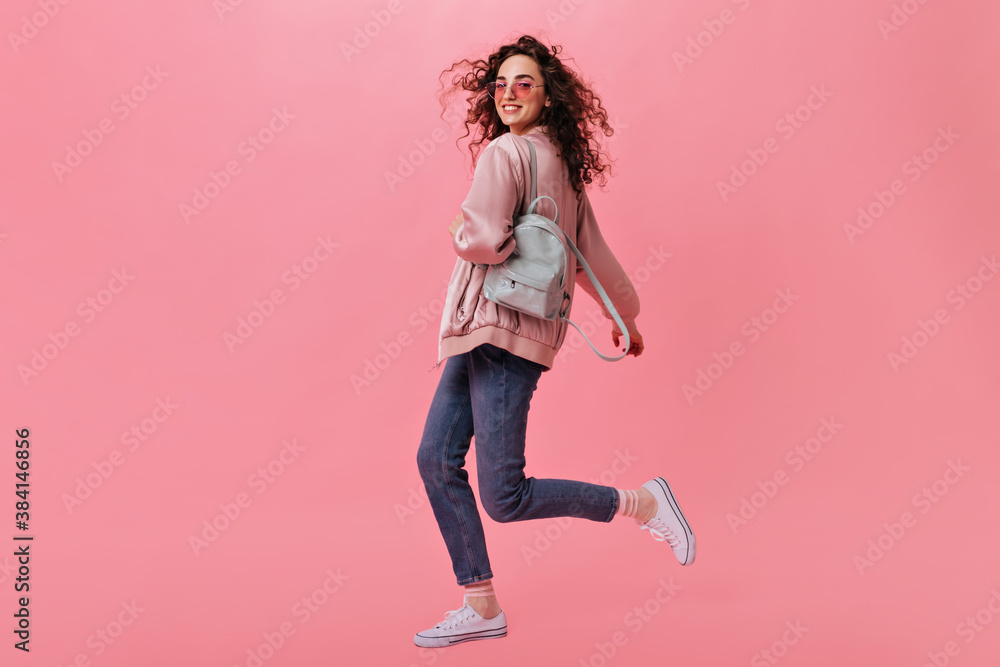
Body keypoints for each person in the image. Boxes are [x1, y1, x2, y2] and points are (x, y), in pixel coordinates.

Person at [414, 35, 695, 649]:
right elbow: (590, 252)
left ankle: (642, 503)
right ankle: (480, 602)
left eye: (524, 84)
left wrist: (460, 230)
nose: (509, 95)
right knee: (436, 459)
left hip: (496, 331)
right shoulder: (562, 167)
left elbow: (482, 238)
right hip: (505, 335)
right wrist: (627, 316)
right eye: (502, 85)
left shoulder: (505, 153)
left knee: (504, 495)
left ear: (548, 95)